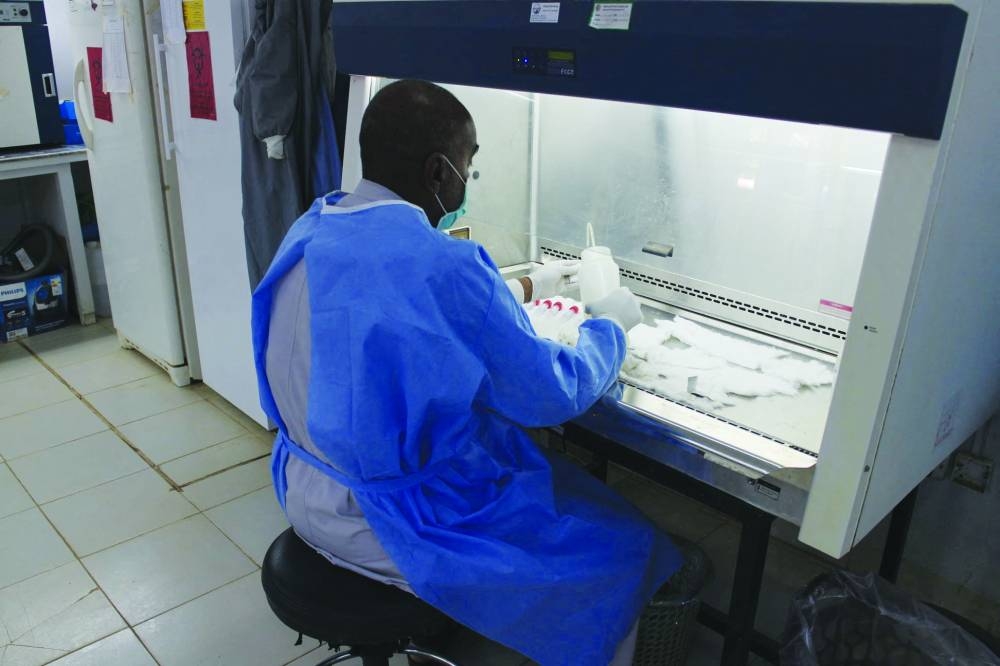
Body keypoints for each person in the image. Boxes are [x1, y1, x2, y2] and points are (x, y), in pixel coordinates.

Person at [251, 79, 682, 666]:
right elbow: (550, 393)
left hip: (303, 490)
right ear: (438, 172)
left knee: (544, 488)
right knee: (619, 547)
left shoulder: (314, 228)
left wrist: (528, 286)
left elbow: (381, 310)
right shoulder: (443, 265)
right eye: (467, 167)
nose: (465, 184)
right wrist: (606, 328)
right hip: (389, 524)